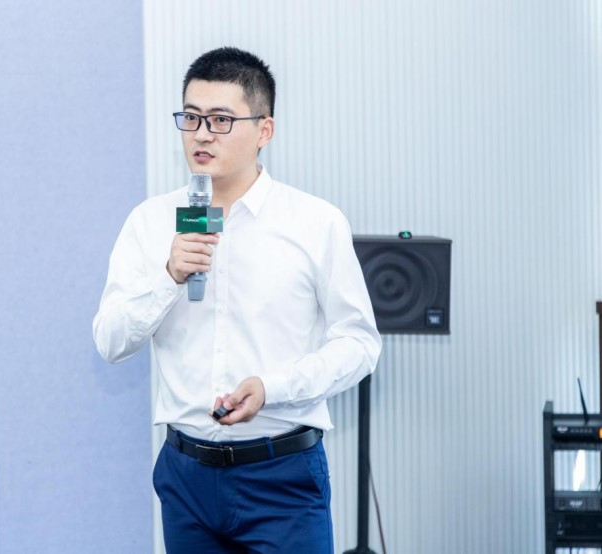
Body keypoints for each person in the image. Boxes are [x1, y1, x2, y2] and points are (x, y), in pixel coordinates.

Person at [93, 46, 381, 553]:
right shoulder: (150, 222)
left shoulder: (315, 223)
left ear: (264, 130)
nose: (201, 134)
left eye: (221, 120)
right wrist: (168, 276)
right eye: (191, 117)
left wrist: (272, 388)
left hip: (282, 475)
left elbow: (359, 344)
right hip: (186, 479)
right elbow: (111, 342)